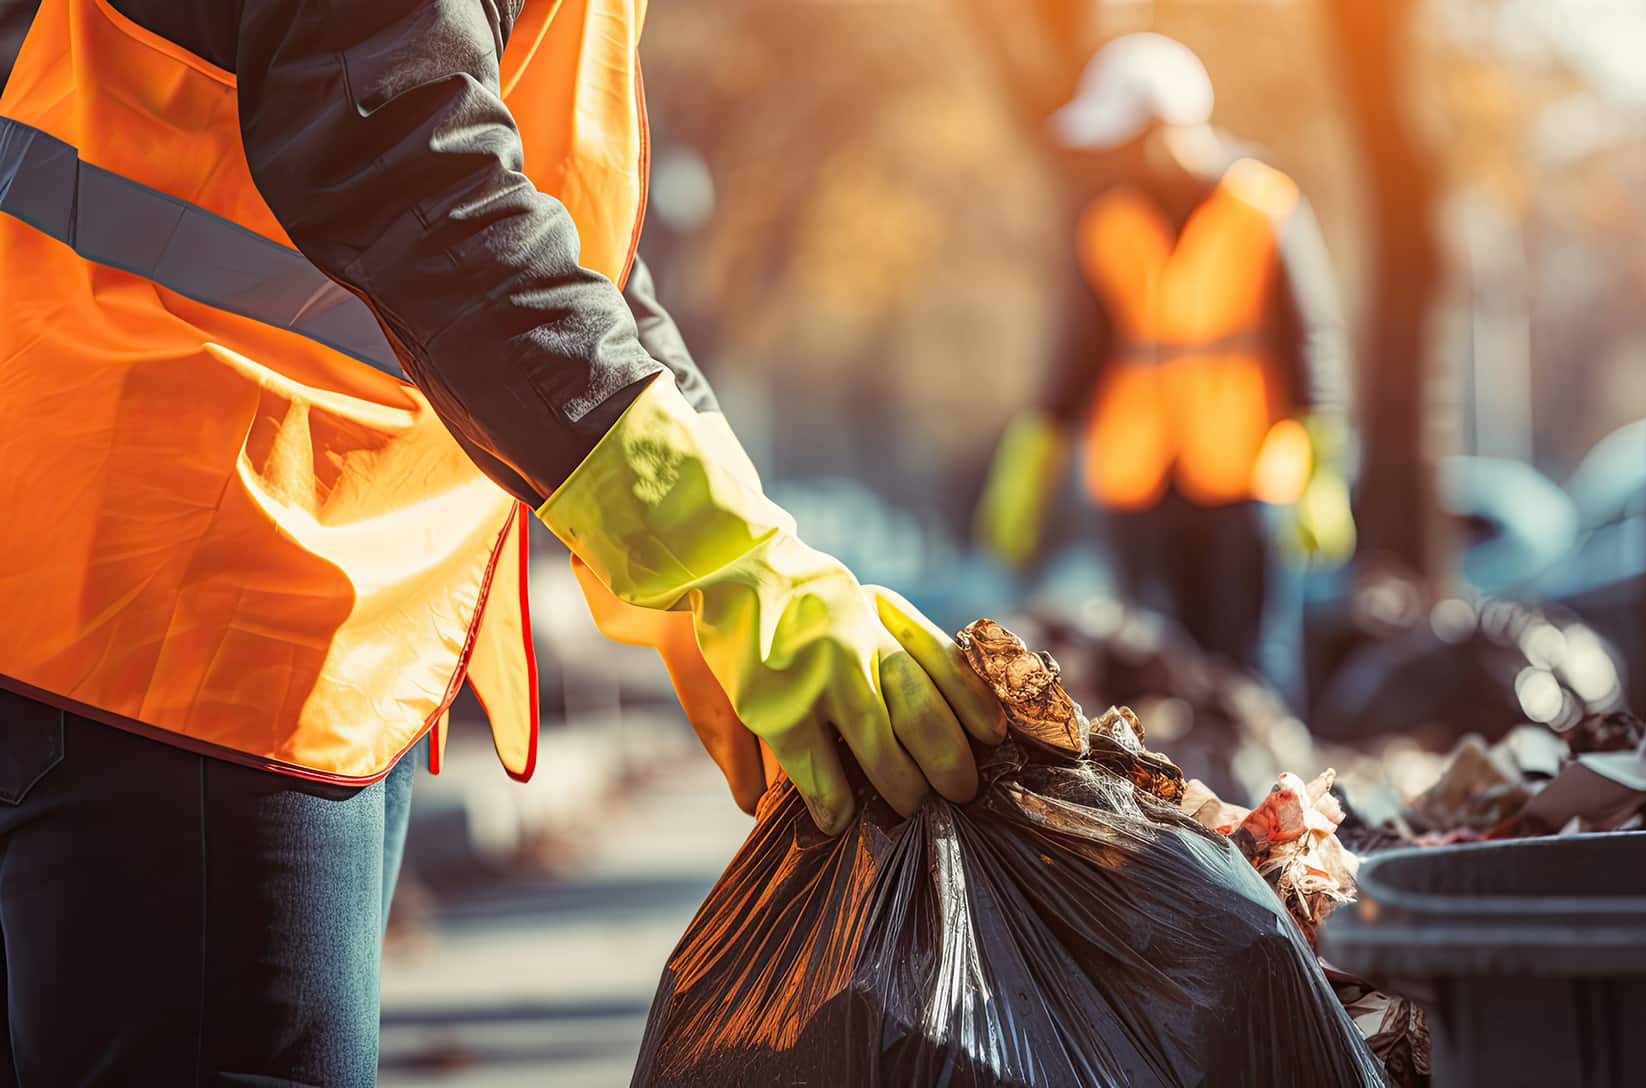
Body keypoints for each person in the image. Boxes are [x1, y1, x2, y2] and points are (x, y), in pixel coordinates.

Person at [0, 1, 1002, 1083]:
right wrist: (725, 561)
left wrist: (725, 563)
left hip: (224, 591)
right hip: (184, 601)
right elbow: (407, 158)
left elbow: (573, 242)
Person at [976, 32, 1357, 671]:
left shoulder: (1262, 204)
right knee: (1154, 663)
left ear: (1160, 131)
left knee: (1252, 660)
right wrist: (1030, 458)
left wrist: (1324, 471)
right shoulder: (1109, 220)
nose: (1105, 162)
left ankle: (1265, 772)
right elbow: (1081, 351)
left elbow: (1309, 334)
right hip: (1142, 479)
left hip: (1246, 472)